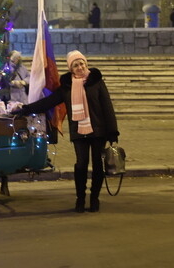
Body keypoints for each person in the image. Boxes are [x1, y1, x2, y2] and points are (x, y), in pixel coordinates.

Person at [17, 50, 118, 214]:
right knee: (81, 165)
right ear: (71, 68)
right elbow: (49, 102)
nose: (80, 67)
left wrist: (112, 131)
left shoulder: (96, 82)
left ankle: (94, 199)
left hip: (98, 130)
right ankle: (80, 199)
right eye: (76, 65)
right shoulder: (67, 86)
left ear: (86, 64)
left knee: (98, 166)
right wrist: (27, 109)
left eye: (82, 63)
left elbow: (107, 106)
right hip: (79, 132)